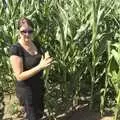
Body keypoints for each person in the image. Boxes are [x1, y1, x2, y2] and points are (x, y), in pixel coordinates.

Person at [9, 17, 53, 120]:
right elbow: (19, 76)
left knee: (39, 114)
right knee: (32, 117)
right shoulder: (16, 49)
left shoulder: (36, 43)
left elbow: (44, 54)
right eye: (23, 31)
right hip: (27, 91)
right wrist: (40, 66)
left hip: (39, 87)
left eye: (30, 31)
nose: (27, 34)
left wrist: (47, 58)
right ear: (18, 31)